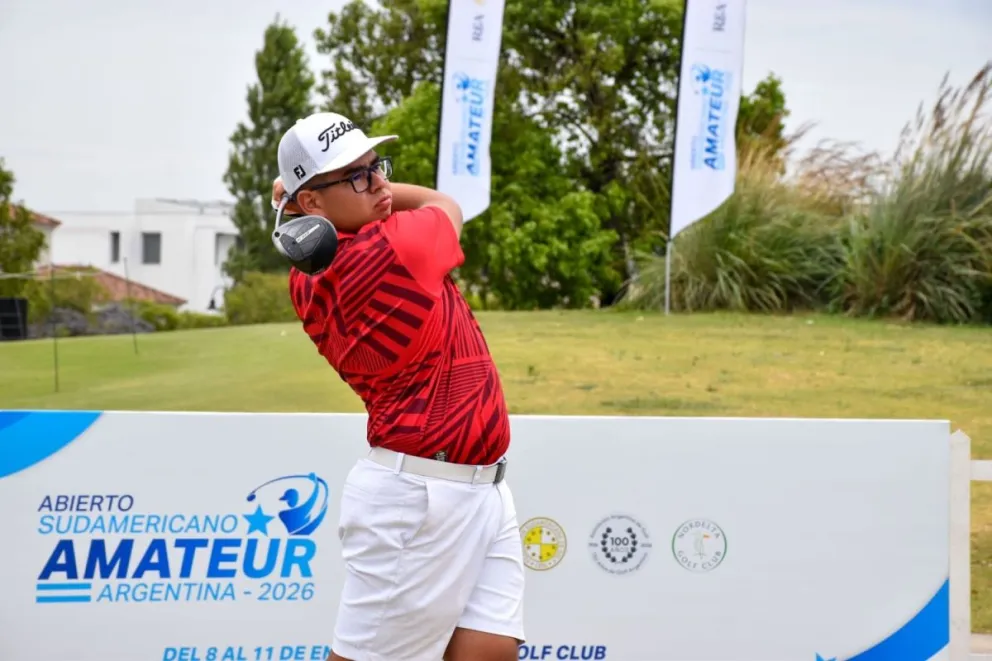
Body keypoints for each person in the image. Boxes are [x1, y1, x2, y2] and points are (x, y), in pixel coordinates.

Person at [270, 111, 525, 661]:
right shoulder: (390, 250)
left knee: (489, 650)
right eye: (358, 176)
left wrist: (300, 196)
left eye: (378, 166)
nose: (381, 183)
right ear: (313, 204)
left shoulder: (309, 273)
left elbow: (363, 208)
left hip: (474, 487)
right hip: (420, 499)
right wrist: (301, 195)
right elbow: (445, 204)